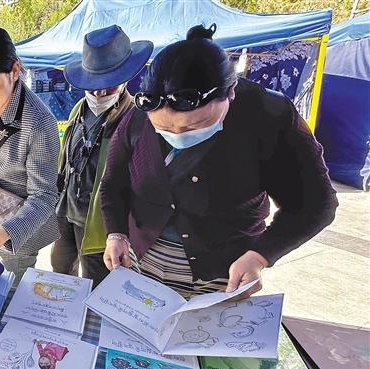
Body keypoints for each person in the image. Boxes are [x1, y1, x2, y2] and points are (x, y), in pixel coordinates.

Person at [99, 24, 338, 298]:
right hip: (141, 262)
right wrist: (116, 233)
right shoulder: (139, 114)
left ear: (230, 92)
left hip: (223, 272)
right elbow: (113, 183)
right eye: (164, 129)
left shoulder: (269, 116)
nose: (177, 136)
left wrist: (260, 256)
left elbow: (317, 204)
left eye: (192, 127)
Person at [52, 25, 153, 288]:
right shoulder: (79, 108)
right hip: (67, 212)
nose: (99, 94)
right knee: (60, 275)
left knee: (96, 285)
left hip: (100, 225)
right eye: (92, 86)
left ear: (125, 78)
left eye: (108, 86)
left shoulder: (136, 120)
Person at [0, 25, 60, 284]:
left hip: (18, 229)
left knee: (11, 294)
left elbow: (45, 196)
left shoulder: (39, 122)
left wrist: (7, 231)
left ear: (15, 71)